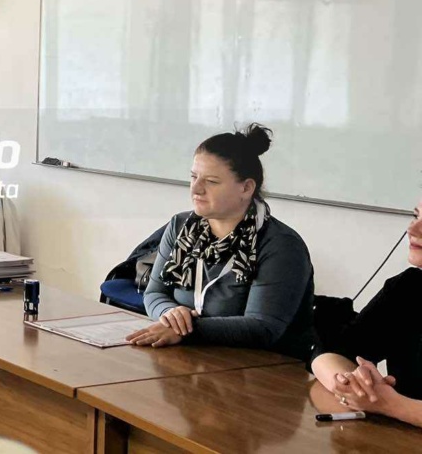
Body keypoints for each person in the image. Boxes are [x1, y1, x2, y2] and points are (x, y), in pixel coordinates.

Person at [128, 124, 315, 360]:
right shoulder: (180, 226)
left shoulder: (281, 245)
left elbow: (263, 327)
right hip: (192, 359)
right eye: (194, 177)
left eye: (211, 181)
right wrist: (170, 314)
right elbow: (154, 293)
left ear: (246, 188)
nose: (196, 189)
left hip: (263, 369)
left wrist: (185, 330)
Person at [309, 200, 422, 426]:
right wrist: (350, 384)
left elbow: (387, 403)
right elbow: (332, 352)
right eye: (416, 216)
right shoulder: (408, 288)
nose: (412, 229)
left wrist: (390, 404)